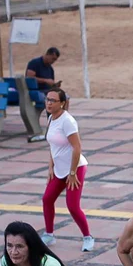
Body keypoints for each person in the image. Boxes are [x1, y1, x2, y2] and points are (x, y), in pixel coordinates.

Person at [40, 88, 93, 252]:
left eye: (53, 100)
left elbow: (77, 148)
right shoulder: (50, 119)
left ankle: (88, 237)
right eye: (47, 99)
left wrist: (72, 173)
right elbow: (53, 145)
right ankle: (49, 234)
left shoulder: (67, 121)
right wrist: (51, 166)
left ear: (62, 103)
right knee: (47, 199)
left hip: (75, 168)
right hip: (59, 169)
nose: (49, 103)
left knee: (72, 206)